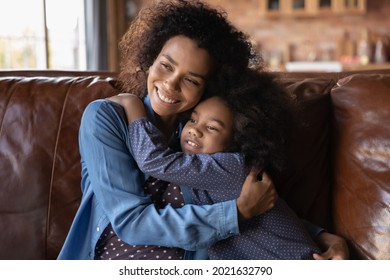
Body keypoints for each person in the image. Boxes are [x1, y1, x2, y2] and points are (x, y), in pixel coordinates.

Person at [58, 0, 348, 260]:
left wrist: (323, 237)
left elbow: (252, 195)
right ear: (150, 59)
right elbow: (132, 223)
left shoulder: (204, 131)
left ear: (207, 87)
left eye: (192, 80)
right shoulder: (107, 118)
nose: (171, 84)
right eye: (166, 65)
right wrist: (237, 214)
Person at [106, 67, 325, 260]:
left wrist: (132, 104)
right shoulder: (208, 167)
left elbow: (155, 161)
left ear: (237, 142)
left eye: (212, 128)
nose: (194, 130)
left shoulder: (232, 168)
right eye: (193, 119)